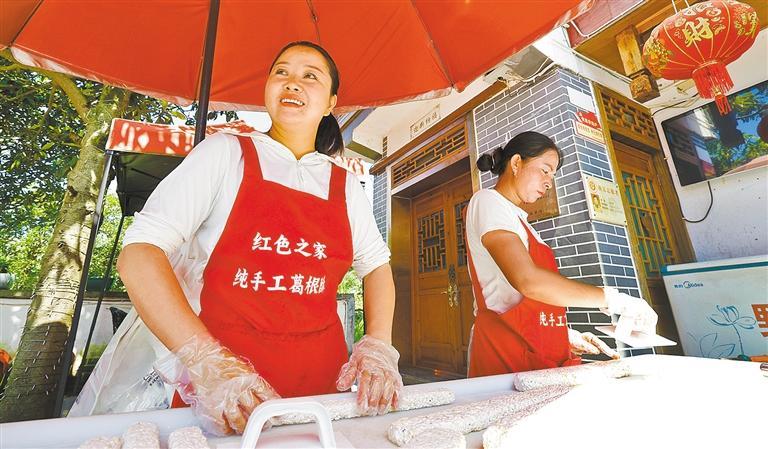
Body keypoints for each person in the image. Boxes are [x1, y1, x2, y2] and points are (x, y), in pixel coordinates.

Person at [86, 41, 401, 435]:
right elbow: (139, 254)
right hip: (225, 395)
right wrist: (207, 362)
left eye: (310, 76)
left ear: (331, 103)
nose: (292, 82)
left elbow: (376, 266)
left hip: (319, 386)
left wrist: (378, 344)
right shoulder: (224, 153)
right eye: (282, 72)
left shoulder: (345, 184)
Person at [464, 131, 657, 377]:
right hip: (506, 354)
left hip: (534, 351)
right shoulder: (488, 201)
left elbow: (518, 298)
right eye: (545, 170)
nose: (549, 182)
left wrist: (561, 334)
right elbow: (528, 281)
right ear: (516, 163)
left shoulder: (521, 221)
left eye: (552, 175)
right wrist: (613, 299)